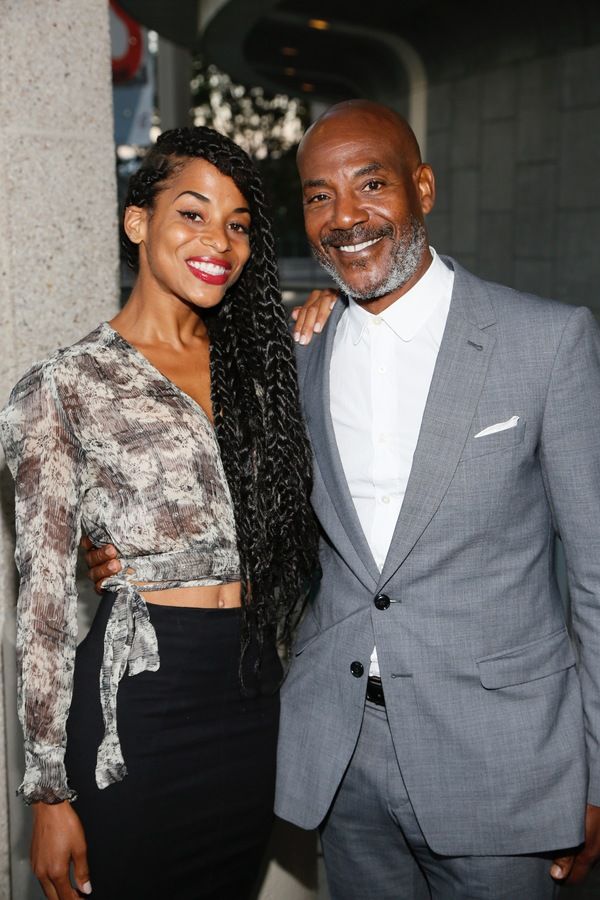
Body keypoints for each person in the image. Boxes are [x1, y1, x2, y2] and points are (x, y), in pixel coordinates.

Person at [87, 101, 600, 899]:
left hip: (505, 764)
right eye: (319, 196)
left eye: (372, 184)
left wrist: (599, 771)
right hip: (342, 759)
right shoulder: (296, 356)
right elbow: (230, 502)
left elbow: (597, 581)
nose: (345, 216)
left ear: (422, 188)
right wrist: (121, 548)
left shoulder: (547, 340)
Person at [0, 126, 318, 900]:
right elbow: (41, 606)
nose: (220, 241)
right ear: (138, 221)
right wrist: (47, 791)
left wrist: (333, 305)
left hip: (250, 697)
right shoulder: (63, 386)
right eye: (193, 213)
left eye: (238, 224)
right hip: (138, 709)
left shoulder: (262, 367)